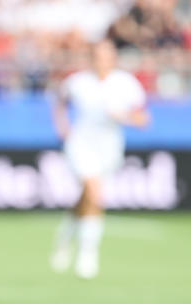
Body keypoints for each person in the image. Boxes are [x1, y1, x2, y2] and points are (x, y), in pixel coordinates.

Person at [50, 40, 150, 279]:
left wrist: (123, 116)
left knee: (87, 198)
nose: (101, 60)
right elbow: (60, 104)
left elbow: (143, 119)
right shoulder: (78, 82)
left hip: (109, 147)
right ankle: (88, 254)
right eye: (97, 55)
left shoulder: (126, 84)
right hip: (81, 144)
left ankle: (65, 235)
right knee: (94, 192)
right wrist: (63, 128)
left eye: (106, 55)